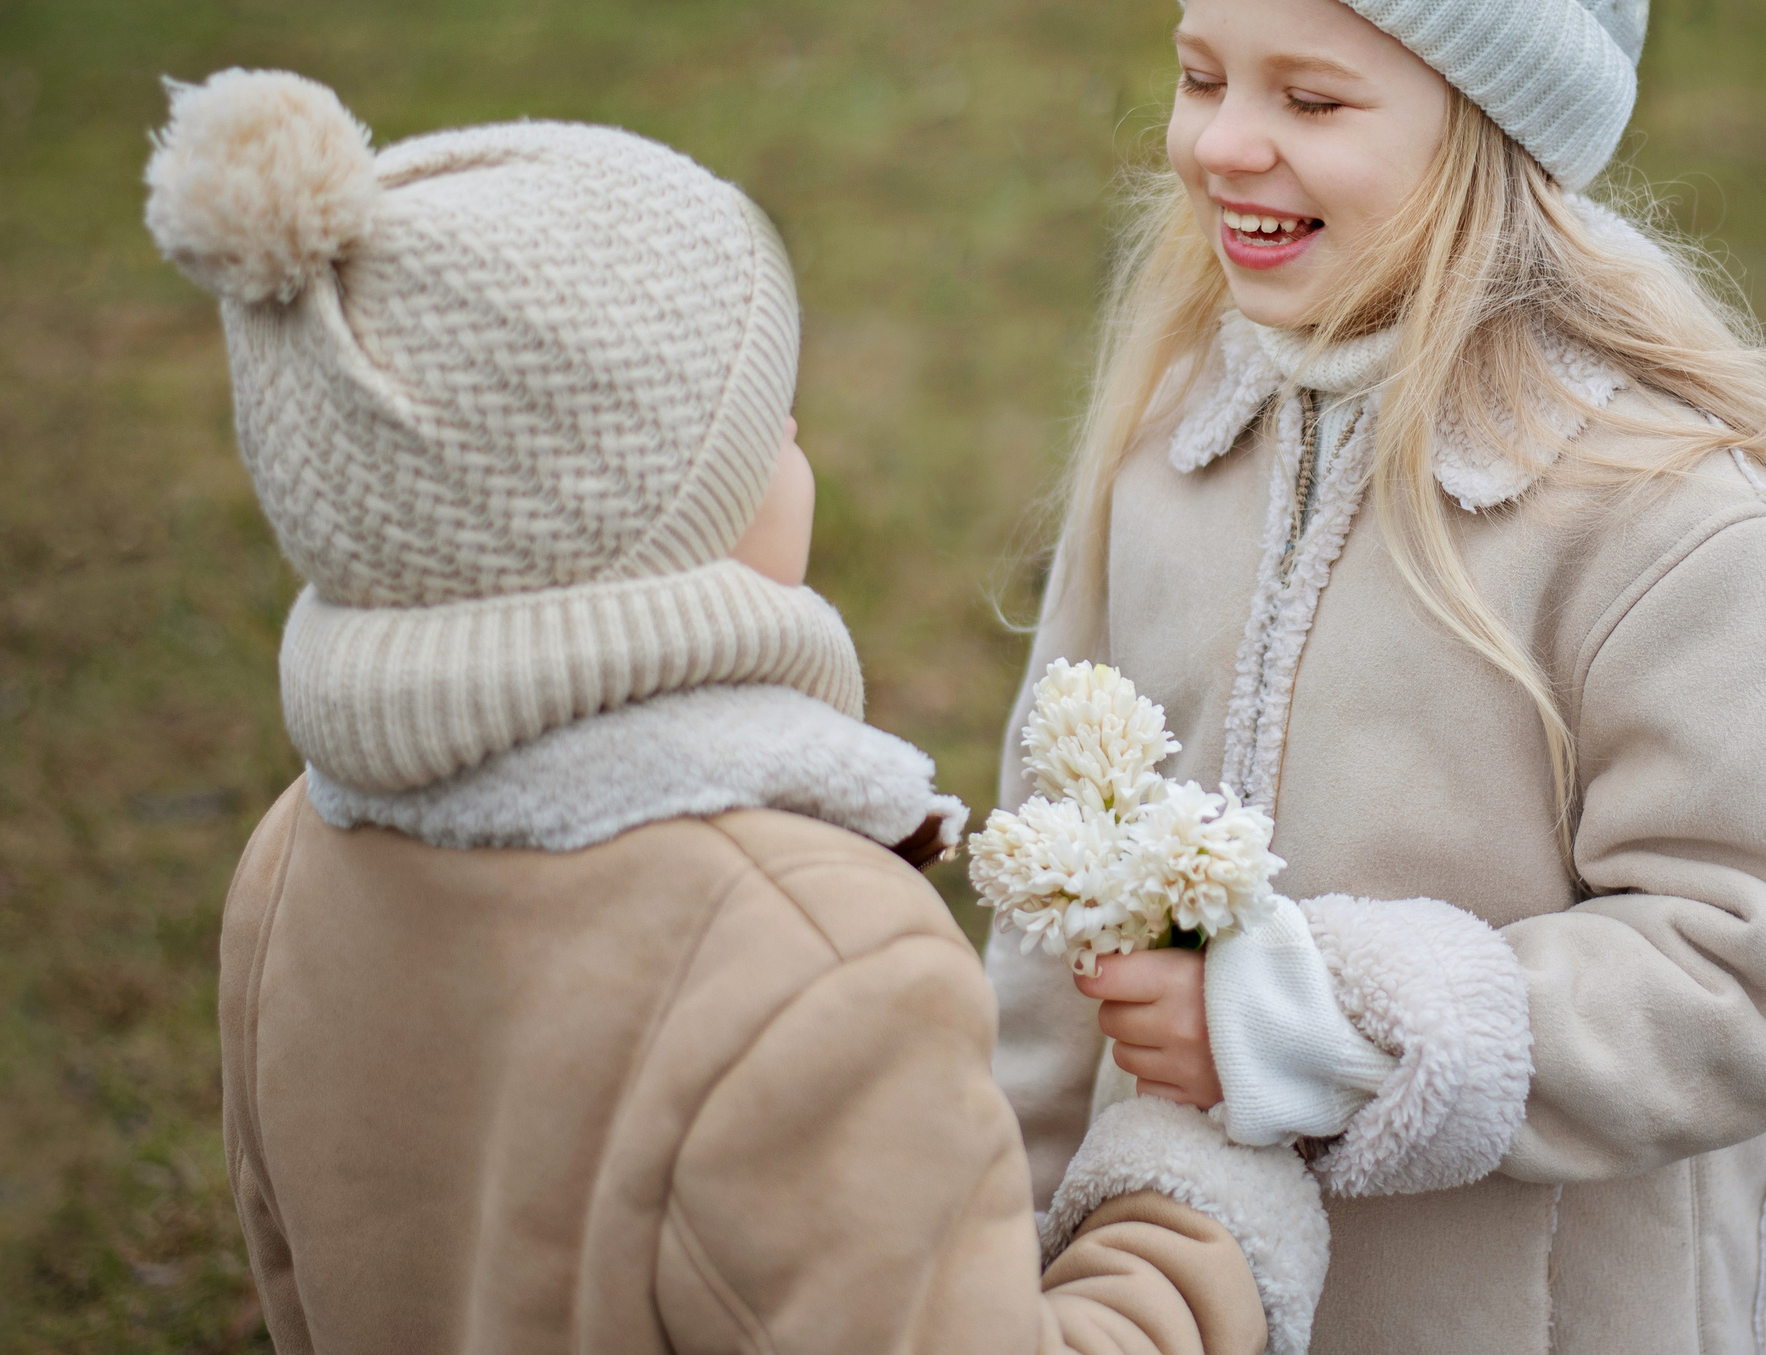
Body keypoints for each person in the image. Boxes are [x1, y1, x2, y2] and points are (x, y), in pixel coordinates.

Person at [986, 0, 1766, 1351]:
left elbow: (1760, 963)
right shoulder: (1174, 442)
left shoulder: (1663, 522)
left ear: (1490, 126)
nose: (1221, 143)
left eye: (1311, 97)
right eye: (1202, 73)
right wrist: (1011, 1234)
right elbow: (1054, 897)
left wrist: (1313, 1019)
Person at [151, 68, 1330, 1355]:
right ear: (658, 520)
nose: (801, 435)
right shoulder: (815, 962)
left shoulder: (289, 861)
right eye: (769, 422)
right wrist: (1190, 1206)